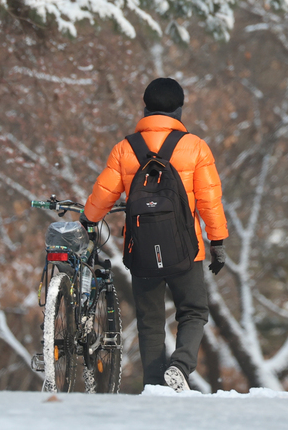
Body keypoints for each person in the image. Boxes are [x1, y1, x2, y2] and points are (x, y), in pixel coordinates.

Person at [83, 77, 229, 392]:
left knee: (150, 321)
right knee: (193, 311)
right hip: (186, 250)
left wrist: (88, 219)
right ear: (180, 109)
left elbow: (104, 194)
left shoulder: (125, 148)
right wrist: (217, 242)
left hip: (141, 250)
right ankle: (180, 366)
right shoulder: (195, 147)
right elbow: (210, 201)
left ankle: (153, 385)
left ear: (145, 108)